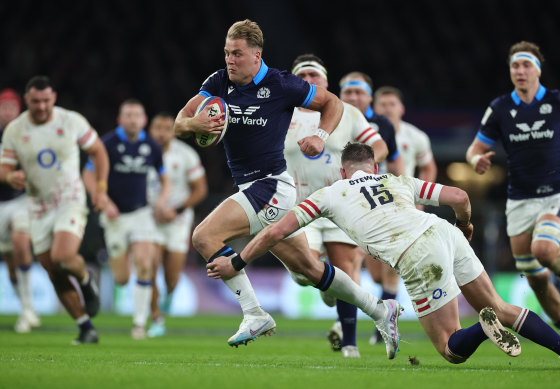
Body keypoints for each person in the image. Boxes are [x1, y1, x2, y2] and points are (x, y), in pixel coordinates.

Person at [208, 143, 560, 368]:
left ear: (343, 170)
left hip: (416, 252)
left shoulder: (329, 193)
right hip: (443, 231)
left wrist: (237, 261)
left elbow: (275, 231)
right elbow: (460, 198)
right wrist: (465, 227)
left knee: (450, 349)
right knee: (501, 306)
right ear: (374, 167)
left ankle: (483, 330)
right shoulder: (395, 180)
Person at [173, 19, 400, 350]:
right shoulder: (219, 82)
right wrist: (195, 123)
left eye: (237, 53)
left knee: (204, 236)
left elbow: (332, 103)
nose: (229, 60)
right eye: (226, 53)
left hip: (271, 186)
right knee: (308, 270)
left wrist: (321, 136)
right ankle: (381, 310)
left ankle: (253, 313)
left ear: (256, 55)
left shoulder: (281, 84)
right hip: (253, 188)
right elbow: (181, 121)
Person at [466, 41, 560, 348]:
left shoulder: (559, 102)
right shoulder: (501, 107)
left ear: (538, 69)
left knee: (544, 250)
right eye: (515, 66)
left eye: (526, 65)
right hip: (518, 200)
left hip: (555, 193)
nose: (520, 71)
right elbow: (474, 149)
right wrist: (475, 159)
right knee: (535, 277)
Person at [285, 54, 390, 357]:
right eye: (301, 76)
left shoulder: (347, 112)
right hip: (299, 205)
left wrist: (366, 167)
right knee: (302, 273)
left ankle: (349, 344)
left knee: (346, 269)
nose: (308, 81)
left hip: (339, 204)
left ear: (325, 81)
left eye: (313, 76)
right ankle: (327, 285)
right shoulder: (283, 111)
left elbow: (379, 144)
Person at [0, 76, 108, 344]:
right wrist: (9, 177)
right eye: (36, 101)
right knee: (53, 269)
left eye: (46, 101)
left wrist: (101, 188)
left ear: (54, 98)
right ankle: (85, 326)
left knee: (62, 255)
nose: (41, 107)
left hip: (69, 199)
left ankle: (85, 281)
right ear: (27, 100)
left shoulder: (71, 121)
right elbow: (4, 167)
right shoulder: (15, 129)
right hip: (37, 206)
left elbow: (98, 151)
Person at [83, 99, 170, 340]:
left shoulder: (151, 146)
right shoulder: (107, 143)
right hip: (114, 215)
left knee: (145, 264)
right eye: (128, 115)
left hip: (141, 213)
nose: (133, 119)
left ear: (144, 120)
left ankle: (139, 324)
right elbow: (88, 172)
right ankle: (112, 272)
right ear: (120, 119)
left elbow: (166, 179)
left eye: (137, 115)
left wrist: (161, 201)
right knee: (121, 279)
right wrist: (102, 199)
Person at [338, 71, 405, 346]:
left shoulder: (382, 126)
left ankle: (379, 325)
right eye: (348, 92)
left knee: (385, 269)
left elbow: (396, 162)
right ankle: (349, 320)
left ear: (369, 97)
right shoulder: (332, 117)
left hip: (375, 201)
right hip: (340, 200)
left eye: (359, 92)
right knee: (355, 264)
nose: (354, 97)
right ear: (340, 95)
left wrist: (404, 197)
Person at [368, 85, 438, 344]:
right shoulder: (365, 132)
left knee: (391, 269)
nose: (387, 109)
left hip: (400, 207)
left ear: (401, 109)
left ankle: (384, 326)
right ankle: (386, 311)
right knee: (376, 273)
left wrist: (421, 200)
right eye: (382, 105)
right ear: (375, 108)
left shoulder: (415, 136)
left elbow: (428, 167)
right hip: (369, 207)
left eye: (392, 104)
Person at [146, 112, 208, 337]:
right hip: (150, 220)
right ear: (150, 130)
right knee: (149, 269)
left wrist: (177, 210)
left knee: (171, 278)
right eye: (157, 128)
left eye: (166, 128)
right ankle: (156, 319)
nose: (161, 133)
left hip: (177, 221)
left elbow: (201, 189)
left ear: (173, 131)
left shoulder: (186, 155)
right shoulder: (142, 153)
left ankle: (168, 297)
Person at [0, 88, 40, 333]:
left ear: (19, 110)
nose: (7, 113)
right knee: (11, 263)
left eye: (11, 108)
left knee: (21, 243)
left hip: (20, 200)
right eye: (3, 108)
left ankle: (28, 310)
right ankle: (24, 305)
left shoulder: (27, 134)